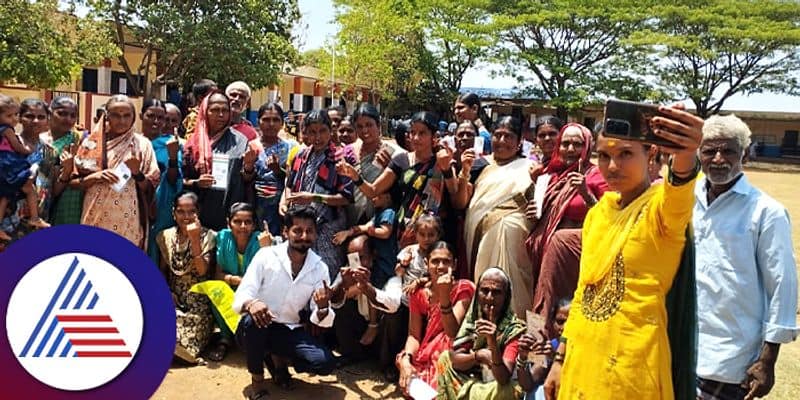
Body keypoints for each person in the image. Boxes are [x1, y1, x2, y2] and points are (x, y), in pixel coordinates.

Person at [543, 104, 704, 400]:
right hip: (582, 359)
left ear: (652, 155)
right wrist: (559, 359)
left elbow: (680, 187)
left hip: (631, 368)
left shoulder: (661, 212)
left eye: (625, 154)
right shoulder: (599, 213)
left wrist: (684, 152)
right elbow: (583, 292)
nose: (613, 166)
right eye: (604, 156)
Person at [693, 114, 798, 400]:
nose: (717, 159)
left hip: (731, 359)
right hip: (681, 347)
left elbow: (783, 286)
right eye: (709, 150)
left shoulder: (766, 212)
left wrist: (768, 359)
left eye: (728, 150)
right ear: (699, 154)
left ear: (746, 155)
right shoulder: (686, 201)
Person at [233, 206, 336, 400]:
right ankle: (257, 382)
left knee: (324, 363)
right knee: (253, 322)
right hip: (256, 328)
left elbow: (321, 319)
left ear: (315, 234)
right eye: (297, 230)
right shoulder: (266, 256)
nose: (304, 236)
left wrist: (322, 307)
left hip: (288, 330)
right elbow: (243, 292)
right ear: (285, 232)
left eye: (309, 231)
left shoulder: (320, 268)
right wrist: (252, 304)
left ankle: (278, 359)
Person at [526, 123, 608, 333]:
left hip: (577, 254)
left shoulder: (596, 175)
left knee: (564, 307)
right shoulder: (550, 176)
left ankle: (554, 352)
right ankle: (537, 353)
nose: (570, 149)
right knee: (544, 298)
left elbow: (609, 218)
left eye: (577, 144)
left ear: (587, 147)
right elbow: (543, 216)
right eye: (565, 144)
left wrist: (586, 193)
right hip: (546, 255)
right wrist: (534, 214)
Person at [337, 111, 459, 247]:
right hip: (405, 230)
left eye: (422, 133)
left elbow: (454, 191)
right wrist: (355, 177)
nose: (416, 138)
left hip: (433, 232)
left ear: (434, 136)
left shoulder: (442, 160)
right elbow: (373, 191)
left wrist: (446, 169)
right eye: (413, 133)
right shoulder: (401, 160)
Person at [464, 116, 533, 316]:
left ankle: (515, 329)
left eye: (508, 136)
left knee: (512, 285)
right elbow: (463, 201)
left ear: (519, 140)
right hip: (480, 236)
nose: (502, 141)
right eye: (498, 135)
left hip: (514, 240)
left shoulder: (529, 168)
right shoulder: (480, 165)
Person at [74, 95, 159, 249]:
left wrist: (137, 173)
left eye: (127, 116)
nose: (122, 121)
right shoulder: (92, 143)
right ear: (107, 116)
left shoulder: (142, 145)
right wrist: (96, 176)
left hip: (128, 218)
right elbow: (74, 182)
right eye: (116, 115)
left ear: (134, 118)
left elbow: (150, 184)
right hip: (95, 213)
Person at [284, 109, 354, 280]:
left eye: (322, 131)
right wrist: (285, 202)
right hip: (301, 225)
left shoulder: (340, 158)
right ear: (305, 133)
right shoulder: (301, 155)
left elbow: (345, 198)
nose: (318, 137)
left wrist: (313, 197)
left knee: (325, 275)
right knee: (298, 272)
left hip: (329, 226)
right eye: (312, 132)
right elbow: (290, 184)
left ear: (331, 131)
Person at [436, 267, 527, 400]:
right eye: (485, 291)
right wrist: (478, 356)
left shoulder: (514, 330)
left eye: (496, 292)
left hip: (496, 386)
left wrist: (492, 343)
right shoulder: (472, 320)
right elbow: (455, 360)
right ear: (477, 293)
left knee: (508, 391)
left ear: (506, 297)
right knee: (444, 358)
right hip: (474, 379)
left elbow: (503, 378)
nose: (490, 298)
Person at [396, 241, 475, 393]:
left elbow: (452, 331)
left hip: (455, 352)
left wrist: (445, 296)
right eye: (435, 261)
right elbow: (414, 335)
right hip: (428, 353)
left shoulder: (464, 288)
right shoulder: (418, 294)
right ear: (426, 263)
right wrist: (407, 359)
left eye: (446, 262)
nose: (440, 266)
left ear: (455, 264)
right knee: (404, 363)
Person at [330, 235, 405, 378]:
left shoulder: (388, 274)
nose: (357, 263)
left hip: (381, 330)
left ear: (373, 255)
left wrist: (367, 289)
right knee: (340, 302)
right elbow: (333, 300)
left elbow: (393, 304)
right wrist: (345, 286)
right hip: (361, 325)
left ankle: (388, 364)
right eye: (353, 258)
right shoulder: (348, 271)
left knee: (393, 315)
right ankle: (352, 354)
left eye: (361, 257)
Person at [155, 191, 217, 364]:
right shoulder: (165, 236)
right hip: (174, 299)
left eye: (191, 212)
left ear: (198, 213)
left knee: (181, 336)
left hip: (198, 304)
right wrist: (166, 292)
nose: (186, 216)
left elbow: (203, 270)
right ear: (174, 213)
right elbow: (162, 269)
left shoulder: (209, 236)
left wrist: (195, 239)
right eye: (181, 211)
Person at [183, 91, 255, 231]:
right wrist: (196, 183)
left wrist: (248, 167)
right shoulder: (193, 144)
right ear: (205, 112)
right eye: (215, 110)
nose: (221, 115)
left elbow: (247, 179)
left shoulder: (240, 141)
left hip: (230, 217)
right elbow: (181, 180)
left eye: (225, 110)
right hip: (199, 216)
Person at [209, 202, 270, 362]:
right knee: (217, 290)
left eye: (248, 222)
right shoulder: (222, 238)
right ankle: (225, 338)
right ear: (228, 222)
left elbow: (270, 279)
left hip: (256, 293)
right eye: (237, 221)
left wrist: (267, 249)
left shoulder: (262, 240)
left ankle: (259, 343)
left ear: (254, 224)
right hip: (233, 288)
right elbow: (218, 274)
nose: (243, 226)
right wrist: (238, 280)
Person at [0, 98, 51, 242]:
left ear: (47, 120)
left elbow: (53, 186)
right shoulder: (7, 144)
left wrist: (66, 171)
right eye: (29, 116)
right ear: (20, 118)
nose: (35, 121)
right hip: (9, 223)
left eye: (41, 117)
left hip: (39, 225)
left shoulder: (51, 151)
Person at [141, 99, 183, 264]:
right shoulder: (132, 141)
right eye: (151, 116)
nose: (156, 121)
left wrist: (172, 157)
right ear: (141, 116)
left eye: (161, 118)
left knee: (155, 252)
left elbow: (174, 180)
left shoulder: (169, 144)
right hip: (133, 203)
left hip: (160, 205)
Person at [250, 102, 296, 236]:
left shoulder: (290, 147)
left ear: (282, 123)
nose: (271, 124)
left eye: (275, 120)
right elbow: (244, 178)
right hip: (256, 204)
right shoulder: (252, 146)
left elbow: (293, 180)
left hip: (280, 206)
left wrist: (277, 171)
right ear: (258, 122)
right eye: (266, 119)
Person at [333, 192, 397, 288]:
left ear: (387, 197)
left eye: (377, 196)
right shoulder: (378, 215)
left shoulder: (388, 213)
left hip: (385, 267)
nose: (373, 199)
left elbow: (385, 233)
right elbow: (364, 227)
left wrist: (373, 231)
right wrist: (347, 233)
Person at [346, 103, 395, 226]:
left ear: (378, 125)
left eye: (369, 125)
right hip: (350, 213)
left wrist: (387, 167)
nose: (365, 130)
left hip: (380, 217)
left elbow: (398, 189)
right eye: (360, 126)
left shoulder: (391, 153)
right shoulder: (349, 151)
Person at [42, 96, 84, 225]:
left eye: (73, 115)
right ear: (50, 113)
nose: (68, 119)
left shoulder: (81, 140)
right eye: (62, 113)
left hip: (69, 204)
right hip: (39, 203)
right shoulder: (39, 140)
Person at [519, 298, 572, 400]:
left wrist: (558, 359)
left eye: (570, 323)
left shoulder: (584, 349)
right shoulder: (550, 346)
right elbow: (527, 384)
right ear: (552, 323)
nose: (565, 327)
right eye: (560, 322)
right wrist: (522, 357)